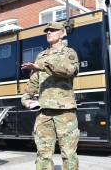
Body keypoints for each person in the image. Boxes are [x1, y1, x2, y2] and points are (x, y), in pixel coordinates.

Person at [21, 21, 80, 170]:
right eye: (47, 31)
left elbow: (69, 70)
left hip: (65, 112)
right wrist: (26, 98)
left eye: (53, 30)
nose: (48, 32)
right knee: (43, 153)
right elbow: (34, 80)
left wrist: (43, 66)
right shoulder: (41, 56)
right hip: (43, 112)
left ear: (62, 34)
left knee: (69, 153)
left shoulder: (69, 53)